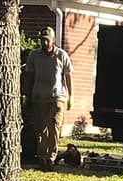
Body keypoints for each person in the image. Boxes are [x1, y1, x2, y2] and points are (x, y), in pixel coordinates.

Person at [24, 27, 73, 171]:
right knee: (40, 130)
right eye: (42, 40)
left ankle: (51, 158)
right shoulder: (34, 55)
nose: (44, 43)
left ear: (53, 40)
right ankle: (42, 158)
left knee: (54, 127)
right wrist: (28, 94)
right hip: (38, 97)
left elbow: (68, 76)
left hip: (57, 97)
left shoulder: (61, 55)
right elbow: (29, 76)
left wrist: (71, 95)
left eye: (47, 40)